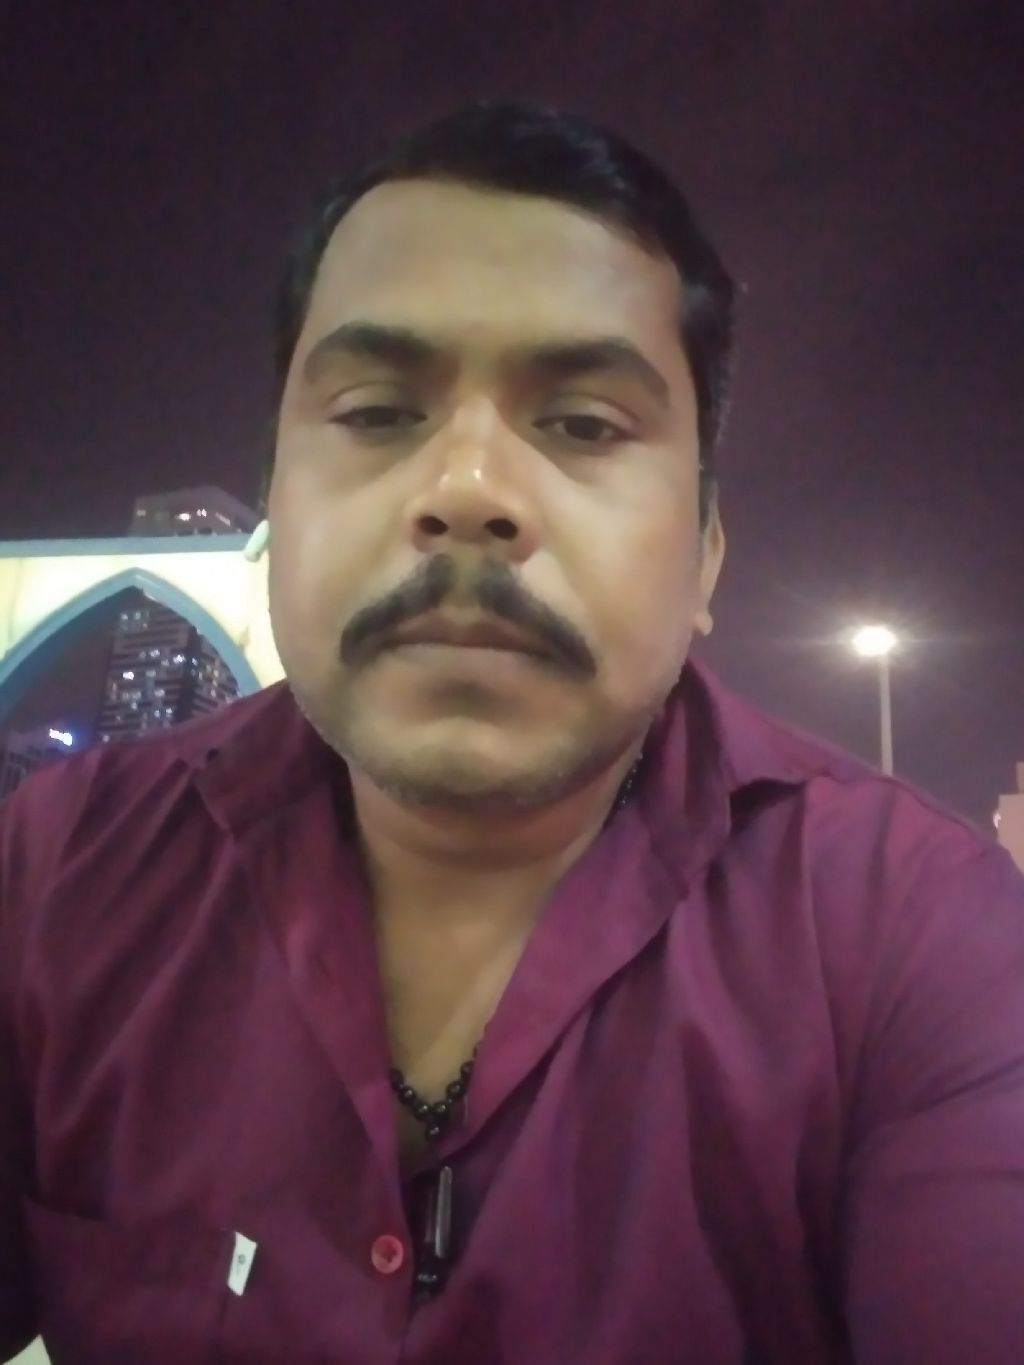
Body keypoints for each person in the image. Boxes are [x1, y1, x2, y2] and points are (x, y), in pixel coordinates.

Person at [2, 101, 1023, 1365]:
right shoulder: (59, 875)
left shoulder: (917, 941)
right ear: (274, 510)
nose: (466, 492)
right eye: (377, 412)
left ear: (705, 555)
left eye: (583, 423)